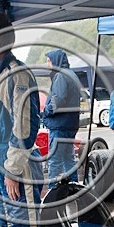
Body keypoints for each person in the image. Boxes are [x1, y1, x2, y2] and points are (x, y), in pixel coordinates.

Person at [0, 12, 43, 227]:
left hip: (17, 169)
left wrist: (12, 171)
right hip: (0, 165)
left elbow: (24, 127)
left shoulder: (17, 74)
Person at [41, 49, 81, 188]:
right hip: (71, 124)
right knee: (68, 159)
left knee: (55, 161)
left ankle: (53, 192)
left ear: (56, 61)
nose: (47, 64)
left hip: (60, 125)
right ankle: (74, 189)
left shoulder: (60, 76)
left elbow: (58, 101)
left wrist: (45, 112)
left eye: (48, 61)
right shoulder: (72, 74)